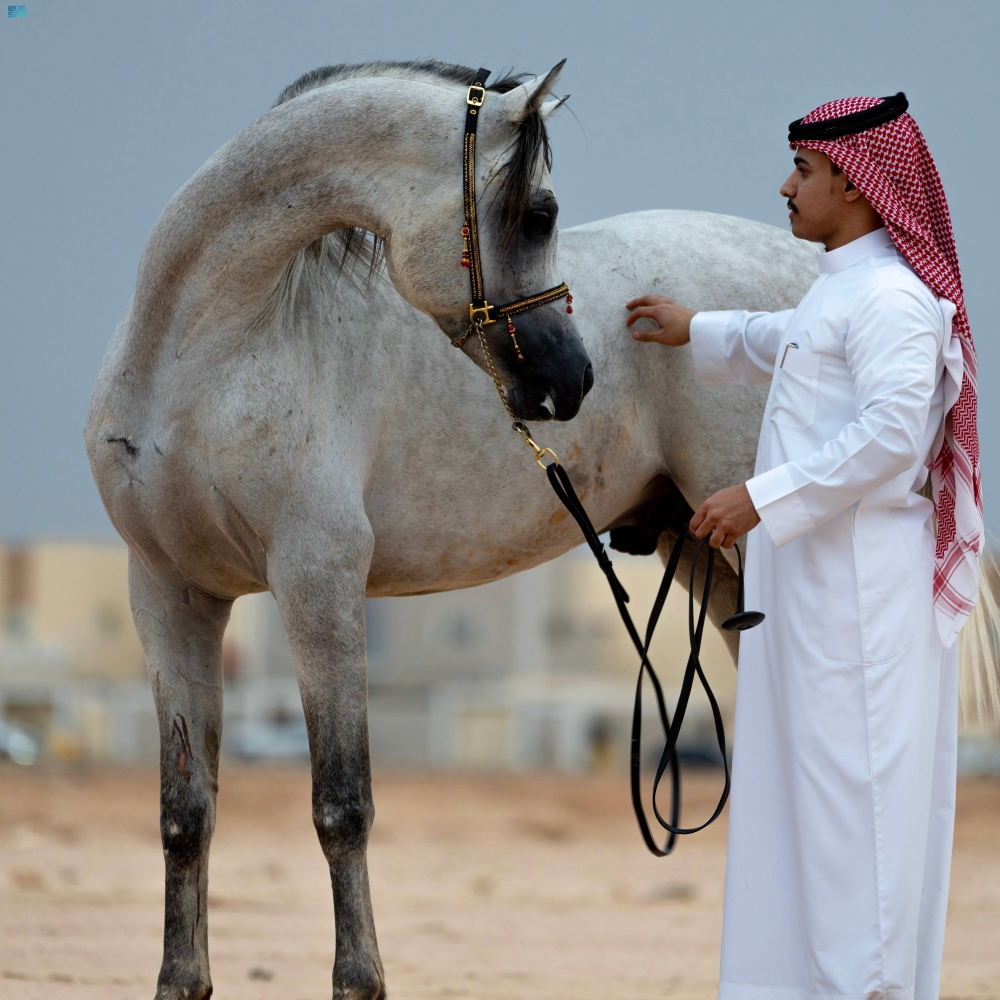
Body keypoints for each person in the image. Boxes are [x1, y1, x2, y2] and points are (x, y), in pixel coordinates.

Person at [625, 93, 981, 1000]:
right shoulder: (849, 290)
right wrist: (696, 328)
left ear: (858, 187)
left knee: (852, 823)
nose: (785, 187)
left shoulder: (894, 301)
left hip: (859, 606)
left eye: (805, 171)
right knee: (799, 815)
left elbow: (892, 435)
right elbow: (794, 343)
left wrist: (759, 496)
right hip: (815, 597)